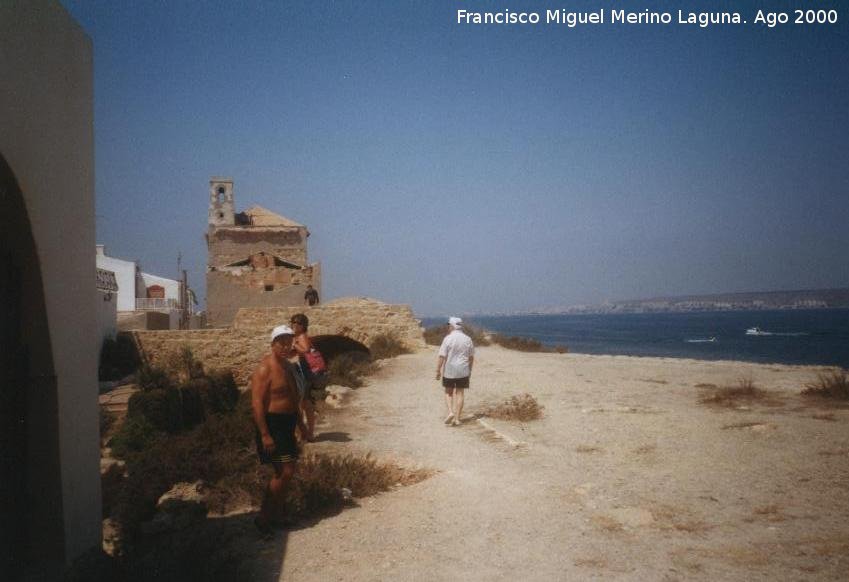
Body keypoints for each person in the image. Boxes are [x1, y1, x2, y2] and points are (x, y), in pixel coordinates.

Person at [251, 324, 307, 538]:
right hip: (273, 426)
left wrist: (300, 424)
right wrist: (265, 434)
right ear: (272, 344)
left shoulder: (286, 366)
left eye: (288, 341)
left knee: (287, 472)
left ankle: (279, 515)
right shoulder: (265, 368)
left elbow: (293, 397)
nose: (286, 346)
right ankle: (263, 519)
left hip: (287, 424)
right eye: (281, 342)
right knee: (283, 473)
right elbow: (257, 404)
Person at [436, 316, 475, 426]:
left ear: (452, 326)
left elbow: (442, 356)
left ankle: (450, 412)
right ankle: (457, 418)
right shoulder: (467, 339)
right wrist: (469, 370)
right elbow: (471, 357)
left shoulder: (448, 339)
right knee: (460, 393)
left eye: (448, 325)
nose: (448, 327)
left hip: (450, 369)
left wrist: (438, 370)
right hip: (463, 369)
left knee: (448, 392)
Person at [289, 312, 322, 442]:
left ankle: (302, 434)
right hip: (304, 373)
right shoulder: (299, 336)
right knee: (306, 403)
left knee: (300, 404)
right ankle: (309, 433)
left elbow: (306, 349)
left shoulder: (301, 337)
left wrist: (294, 344)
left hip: (302, 374)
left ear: (304, 326)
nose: (295, 325)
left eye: (298, 323)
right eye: (293, 322)